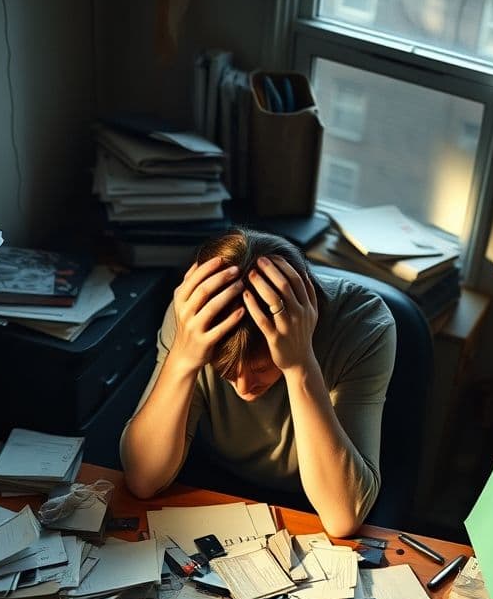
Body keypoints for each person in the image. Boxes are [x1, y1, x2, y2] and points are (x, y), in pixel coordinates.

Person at [119, 227, 396, 536]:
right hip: (210, 488)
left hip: (309, 507)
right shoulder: (195, 317)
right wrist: (184, 358)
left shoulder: (364, 324)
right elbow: (143, 480)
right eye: (225, 371)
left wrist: (300, 364)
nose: (243, 387)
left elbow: (341, 517)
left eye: (262, 368)